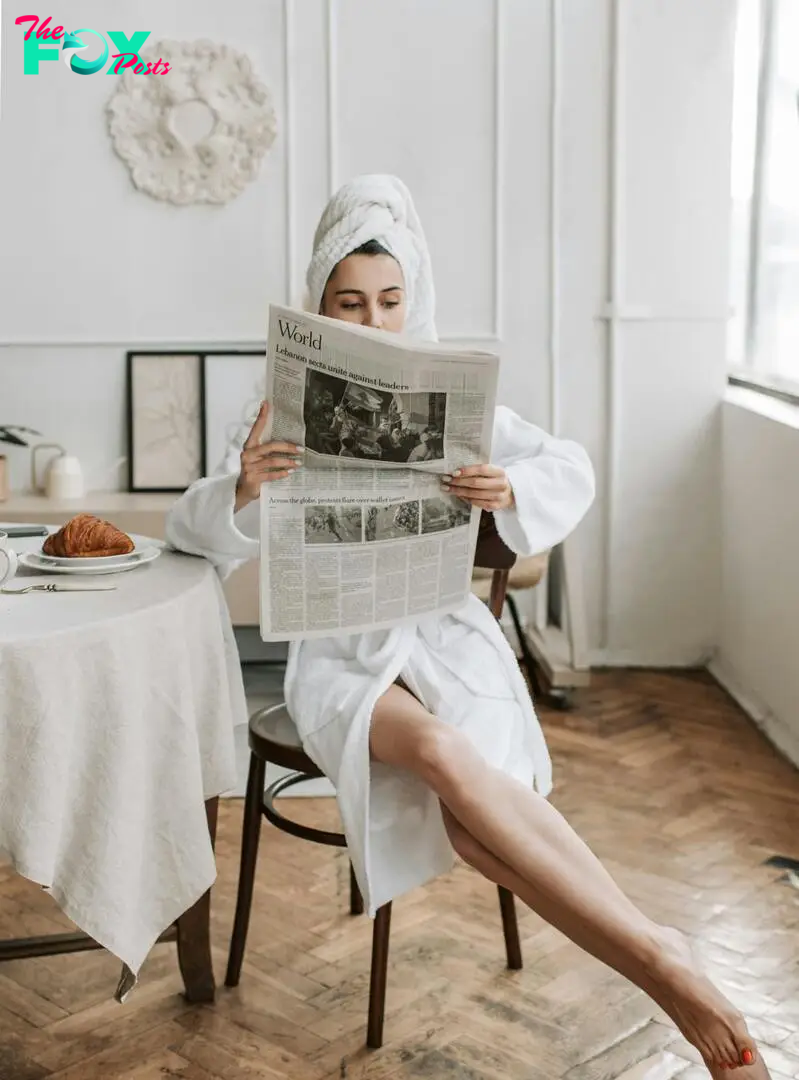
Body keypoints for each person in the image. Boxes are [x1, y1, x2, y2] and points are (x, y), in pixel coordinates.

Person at [166, 175, 767, 1077]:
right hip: (338, 661)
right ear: (318, 305)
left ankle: (663, 959)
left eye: (390, 301)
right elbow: (192, 532)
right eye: (349, 303)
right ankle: (658, 956)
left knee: (474, 829)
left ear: (412, 301)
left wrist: (509, 485)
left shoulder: (452, 396)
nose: (372, 321)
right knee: (447, 760)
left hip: (445, 640)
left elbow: (570, 466)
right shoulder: (274, 410)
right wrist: (244, 490)